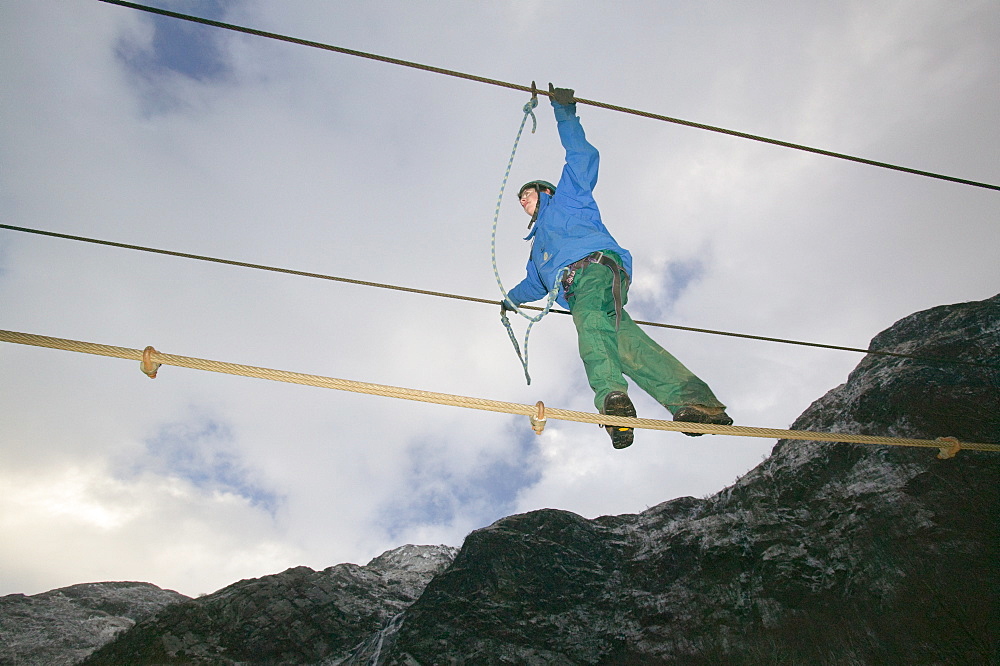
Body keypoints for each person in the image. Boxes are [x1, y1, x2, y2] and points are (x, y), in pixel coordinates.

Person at [503, 84, 732, 449]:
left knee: (590, 324)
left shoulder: (568, 200)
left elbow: (581, 154)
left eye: (527, 193)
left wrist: (565, 112)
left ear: (546, 192)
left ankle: (612, 399)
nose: (522, 200)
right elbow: (534, 284)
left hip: (591, 271)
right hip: (586, 283)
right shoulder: (538, 251)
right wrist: (509, 301)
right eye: (519, 200)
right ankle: (696, 402)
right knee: (626, 346)